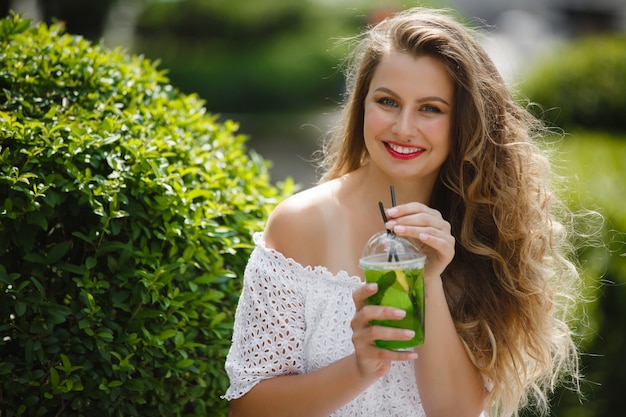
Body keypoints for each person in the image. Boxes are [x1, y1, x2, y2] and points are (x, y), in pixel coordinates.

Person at [223, 7, 584, 417]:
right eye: (388, 101)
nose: (403, 127)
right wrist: (359, 368)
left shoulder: (482, 235)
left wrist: (429, 278)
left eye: (430, 108)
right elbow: (248, 409)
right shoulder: (299, 224)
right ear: (362, 104)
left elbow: (455, 411)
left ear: (463, 122)